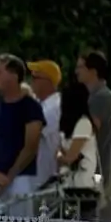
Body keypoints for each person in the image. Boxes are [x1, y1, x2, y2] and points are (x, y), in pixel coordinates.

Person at [0, 54, 45, 217]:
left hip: (20, 179)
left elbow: (31, 146)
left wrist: (9, 176)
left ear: (14, 75)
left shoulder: (31, 107)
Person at [74, 50, 111, 216]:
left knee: (86, 221)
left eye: (80, 67)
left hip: (94, 172)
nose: (77, 71)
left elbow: (89, 131)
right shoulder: (93, 96)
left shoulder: (102, 97)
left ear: (93, 71)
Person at [55, 81, 101, 218]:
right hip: (69, 185)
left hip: (83, 187)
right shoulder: (69, 126)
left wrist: (59, 156)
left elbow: (70, 157)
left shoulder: (83, 123)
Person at [28, 60, 62, 188]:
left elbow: (31, 132)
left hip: (46, 180)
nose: (31, 81)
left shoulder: (55, 107)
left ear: (48, 81)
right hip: (35, 180)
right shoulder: (39, 104)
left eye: (35, 77)